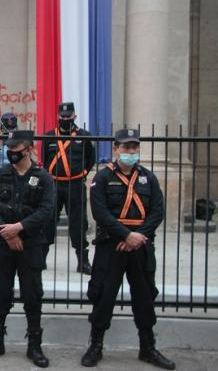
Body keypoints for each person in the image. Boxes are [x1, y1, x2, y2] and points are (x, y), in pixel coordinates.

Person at [81, 129, 175, 369]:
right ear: (115, 149)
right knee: (103, 296)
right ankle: (96, 346)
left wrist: (138, 236)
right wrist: (125, 235)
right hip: (111, 246)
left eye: (134, 148)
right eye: (126, 147)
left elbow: (157, 211)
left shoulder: (148, 178)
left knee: (144, 298)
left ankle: (148, 347)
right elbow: (99, 212)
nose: (130, 152)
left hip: (140, 246)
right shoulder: (102, 178)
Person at [0, 130, 54, 368]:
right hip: (3, 245)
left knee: (32, 296)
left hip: (31, 245)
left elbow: (47, 210)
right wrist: (7, 232)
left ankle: (34, 345)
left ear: (29, 150)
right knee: (0, 294)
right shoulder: (0, 174)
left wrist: (20, 228)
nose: (11, 155)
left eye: (16, 151)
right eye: (9, 151)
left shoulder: (43, 177)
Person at [41, 102, 95, 274]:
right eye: (62, 117)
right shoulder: (49, 136)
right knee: (48, 221)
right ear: (58, 117)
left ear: (74, 117)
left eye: (68, 117)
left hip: (75, 184)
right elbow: (44, 159)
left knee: (78, 223)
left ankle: (83, 261)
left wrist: (83, 172)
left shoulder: (84, 136)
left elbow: (90, 158)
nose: (65, 119)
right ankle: (41, 258)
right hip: (54, 184)